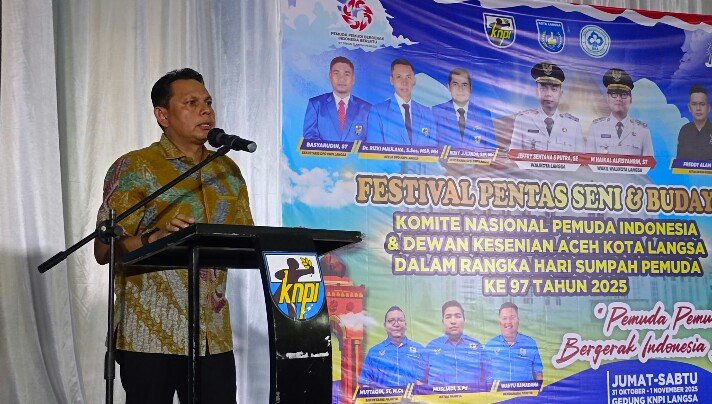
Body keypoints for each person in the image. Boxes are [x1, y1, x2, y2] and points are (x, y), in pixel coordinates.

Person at [94, 68, 253, 403]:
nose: (205, 110)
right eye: (191, 102)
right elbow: (104, 250)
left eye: (208, 102)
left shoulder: (227, 171)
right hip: (150, 334)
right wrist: (154, 238)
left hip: (212, 337)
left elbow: (245, 241)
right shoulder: (136, 167)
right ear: (162, 115)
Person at [509, 62, 585, 152]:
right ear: (537, 92)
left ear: (560, 94)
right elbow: (514, 155)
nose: (549, 94)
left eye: (554, 89)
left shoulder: (573, 124)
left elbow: (581, 158)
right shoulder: (523, 120)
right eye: (543, 88)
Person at [367, 58, 436, 146]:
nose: (404, 82)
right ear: (392, 80)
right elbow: (374, 150)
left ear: (414, 80)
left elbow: (433, 151)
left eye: (408, 77)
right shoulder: (378, 112)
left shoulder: (427, 113)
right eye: (399, 77)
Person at [587, 68, 654, 156]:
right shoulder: (596, 128)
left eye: (623, 94)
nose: (618, 98)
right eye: (614, 94)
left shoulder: (642, 130)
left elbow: (649, 162)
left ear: (631, 99)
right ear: (608, 98)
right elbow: (589, 161)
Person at [303, 56, 371, 141]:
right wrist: (333, 150)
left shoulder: (366, 109)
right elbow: (310, 138)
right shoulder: (316, 104)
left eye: (346, 74)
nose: (341, 79)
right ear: (330, 76)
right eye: (336, 73)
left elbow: (370, 141)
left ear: (353, 79)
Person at [358, 306, 425, 387]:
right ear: (385, 326)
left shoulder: (419, 350)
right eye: (391, 320)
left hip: (412, 395)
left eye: (400, 320)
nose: (396, 324)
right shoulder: (374, 352)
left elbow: (424, 384)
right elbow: (364, 384)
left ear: (406, 325)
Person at [433, 67, 496, 149]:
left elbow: (492, 150)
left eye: (464, 84)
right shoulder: (436, 112)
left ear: (470, 88)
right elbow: (430, 149)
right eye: (455, 84)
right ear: (448, 87)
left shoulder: (484, 115)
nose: (460, 89)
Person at [424, 300, 483, 385]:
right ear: (443, 321)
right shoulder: (431, 347)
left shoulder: (477, 347)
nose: (453, 321)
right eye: (448, 317)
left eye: (458, 316)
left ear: (464, 320)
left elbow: (486, 380)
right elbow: (421, 382)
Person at [484, 302, 543, 385]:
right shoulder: (490, 345)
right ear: (499, 322)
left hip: (526, 392)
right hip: (498, 393)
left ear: (518, 320)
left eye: (512, 318)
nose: (508, 321)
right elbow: (485, 375)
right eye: (504, 318)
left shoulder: (530, 344)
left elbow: (538, 374)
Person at [676, 85, 712, 160]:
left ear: (708, 108)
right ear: (689, 107)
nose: (698, 108)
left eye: (702, 104)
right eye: (694, 104)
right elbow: (679, 161)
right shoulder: (684, 130)